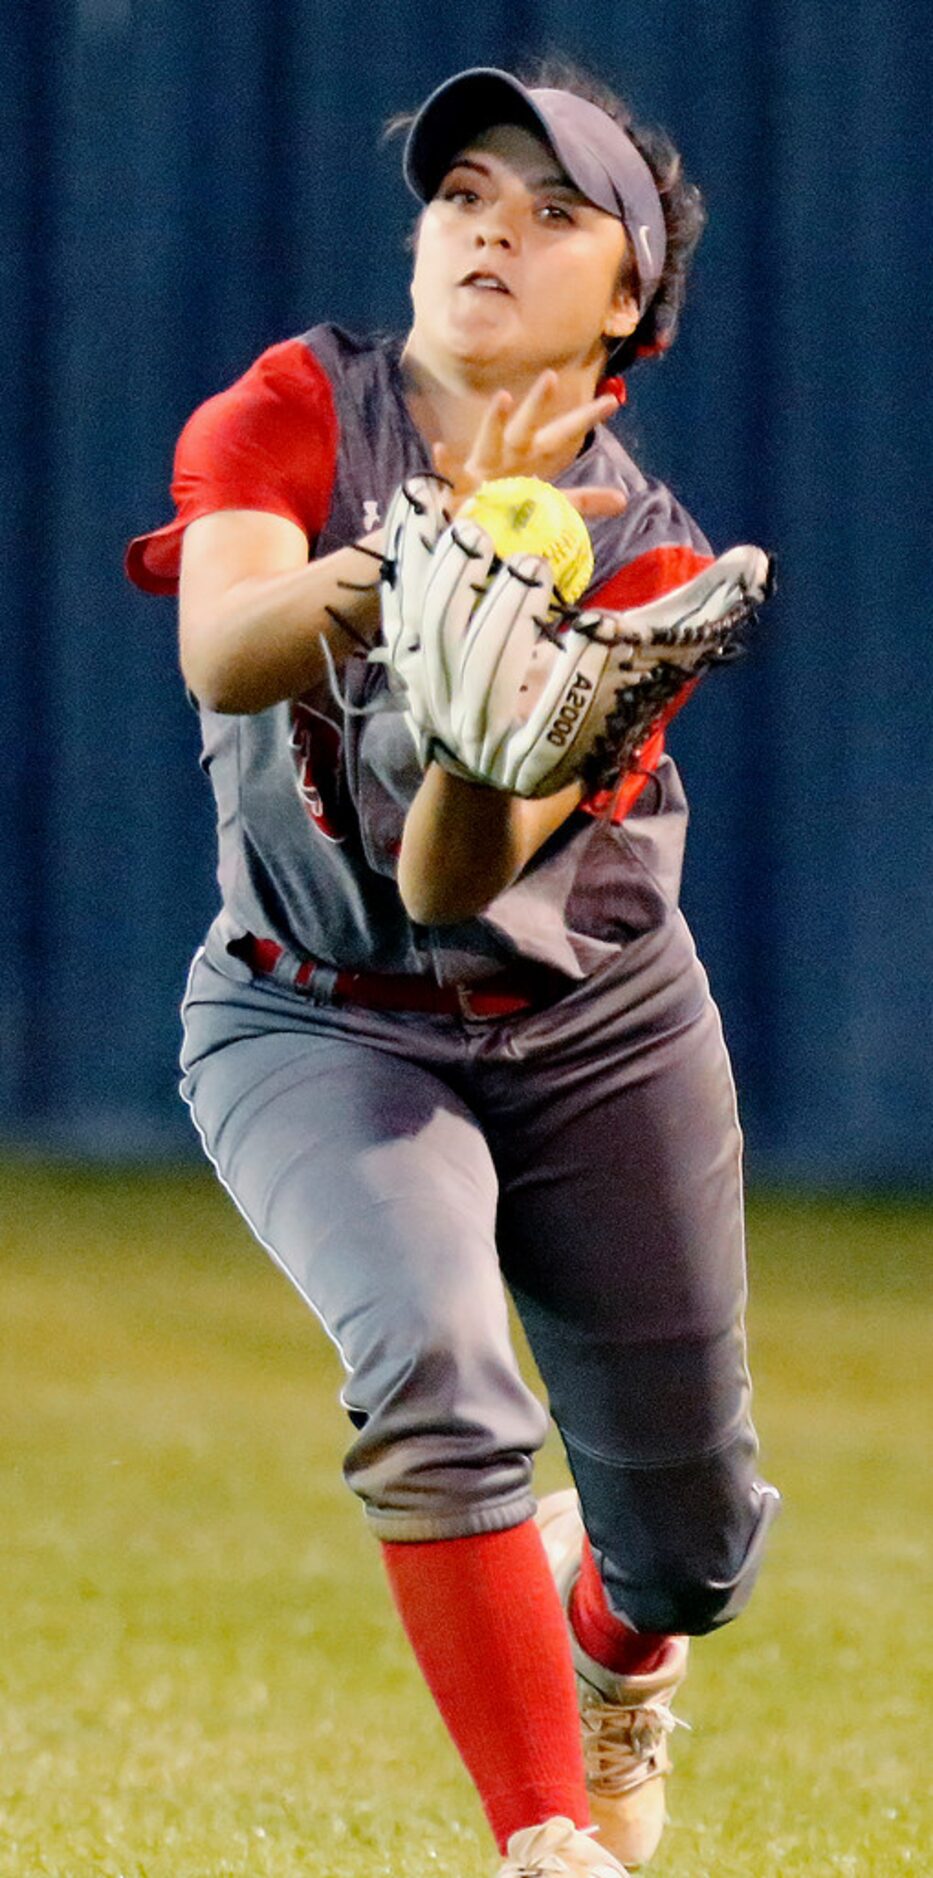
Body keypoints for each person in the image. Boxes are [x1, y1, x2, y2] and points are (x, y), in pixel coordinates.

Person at [126, 59, 779, 1878]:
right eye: (461, 193)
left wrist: (508, 726)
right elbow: (228, 652)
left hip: (592, 1027)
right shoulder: (299, 403)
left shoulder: (642, 564)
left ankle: (612, 1631)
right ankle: (541, 1834)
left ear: (627, 295)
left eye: (554, 208)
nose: (490, 224)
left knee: (693, 1541)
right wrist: (380, 581)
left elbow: (454, 875)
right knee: (428, 1360)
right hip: (304, 1011)